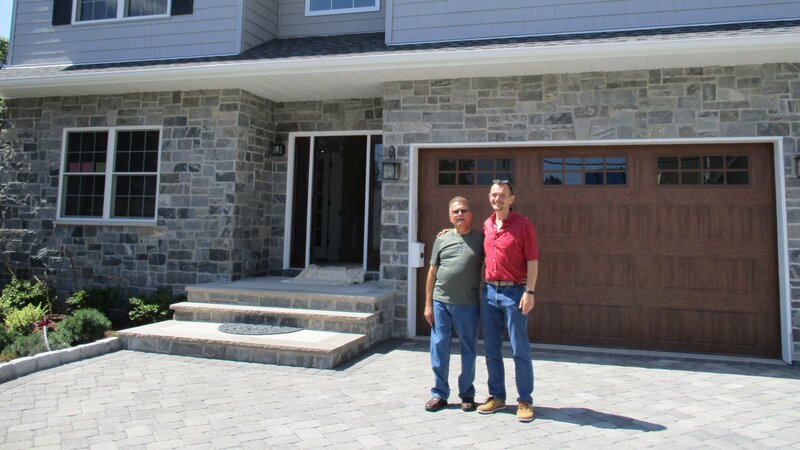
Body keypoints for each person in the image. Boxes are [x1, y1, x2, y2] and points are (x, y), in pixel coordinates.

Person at [477, 180, 539, 423]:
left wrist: (530, 291)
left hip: (515, 293)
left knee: (519, 348)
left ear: (512, 199)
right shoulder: (486, 224)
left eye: (502, 195)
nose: (497, 199)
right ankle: (497, 396)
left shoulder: (523, 226)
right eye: (494, 195)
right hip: (489, 293)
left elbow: (533, 261)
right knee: (491, 348)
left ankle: (524, 400)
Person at [424, 197, 484, 413]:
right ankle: (439, 394)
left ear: (471, 214)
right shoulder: (441, 239)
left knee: (468, 348)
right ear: (450, 216)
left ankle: (467, 393)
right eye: (456, 211)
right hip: (440, 303)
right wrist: (427, 304)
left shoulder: (480, 239)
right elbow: (432, 272)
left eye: (464, 211)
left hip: (467, 304)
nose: (460, 214)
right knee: (439, 348)